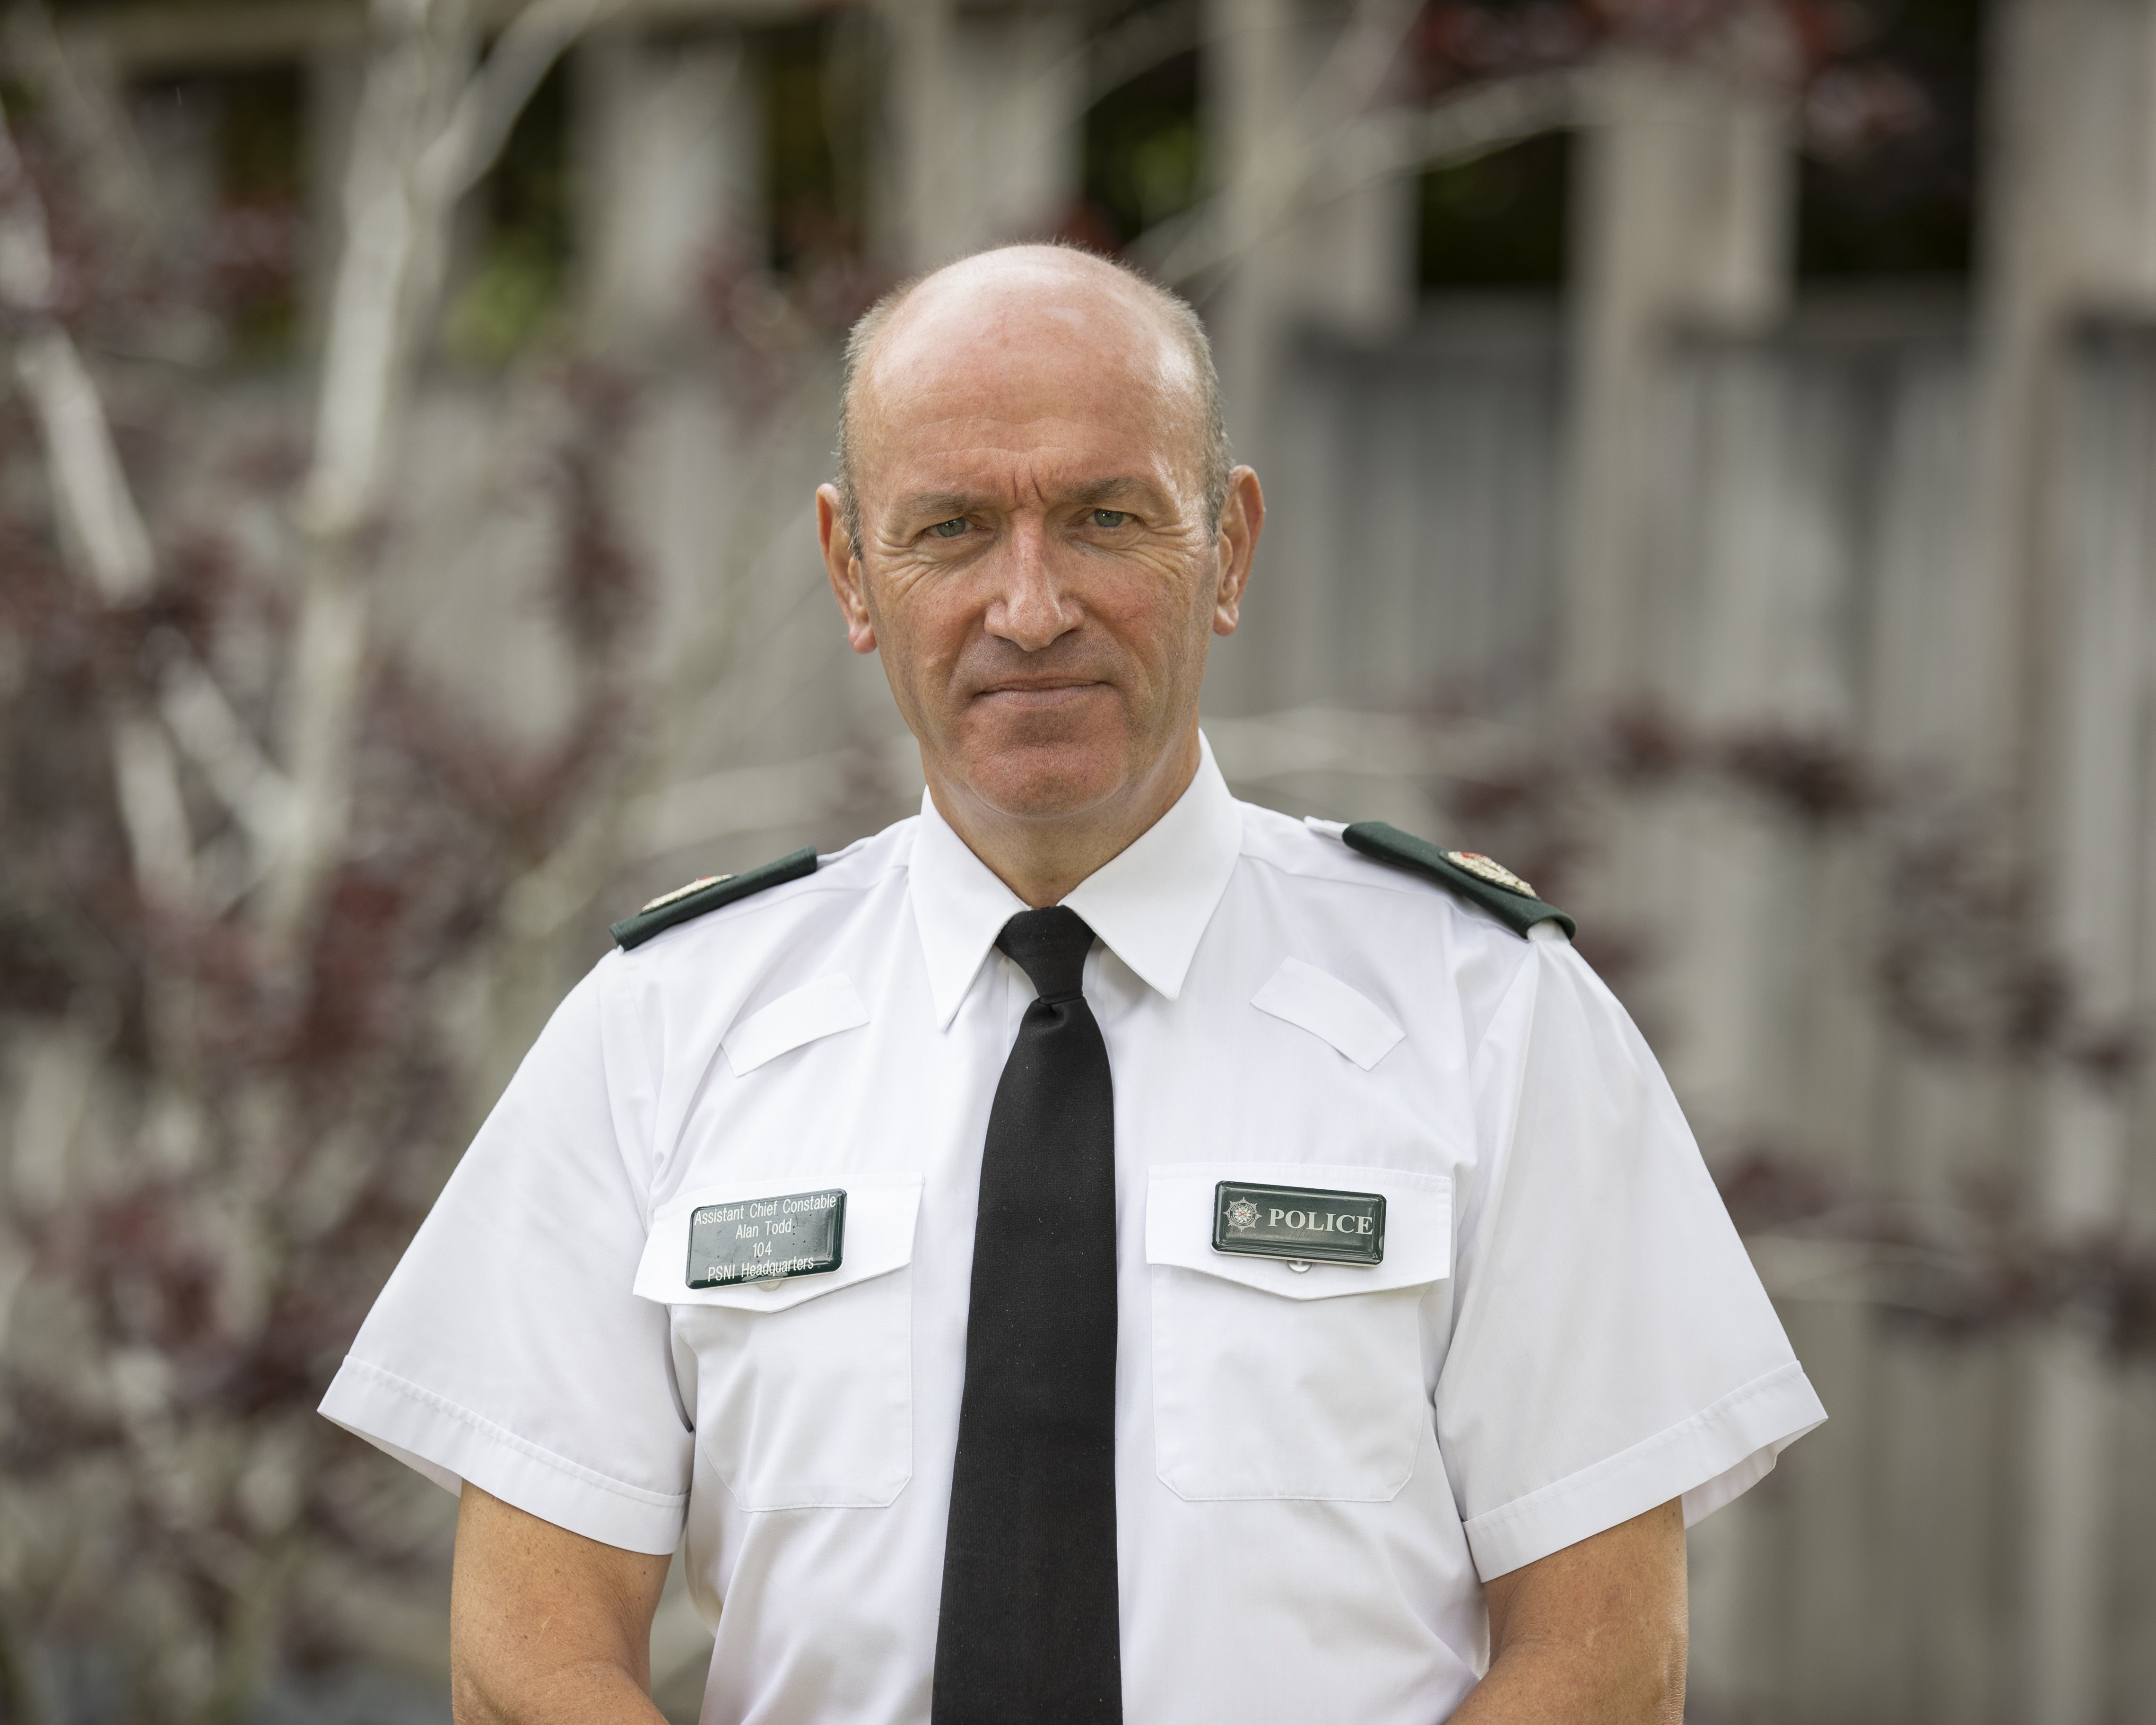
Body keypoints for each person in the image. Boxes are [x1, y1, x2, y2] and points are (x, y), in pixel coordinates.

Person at [321, 243, 1824, 1725]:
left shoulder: (1488, 1015)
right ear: (852, 570)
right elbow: (525, 1660)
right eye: (954, 529)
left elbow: (1608, 1664)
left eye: (1106, 518)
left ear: (1226, 548)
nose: (1030, 607)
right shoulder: (665, 1029)